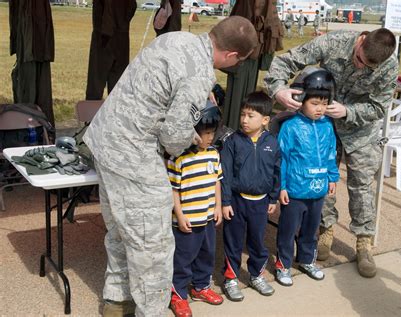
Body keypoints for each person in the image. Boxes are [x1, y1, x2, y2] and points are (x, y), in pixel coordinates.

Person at [83, 16, 258, 317]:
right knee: (153, 246)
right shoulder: (198, 74)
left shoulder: (176, 38)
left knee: (122, 232)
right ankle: (150, 311)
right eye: (239, 61)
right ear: (231, 56)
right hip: (133, 156)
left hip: (105, 142)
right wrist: (197, 136)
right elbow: (174, 139)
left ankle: (117, 301)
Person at [264, 28, 399, 278]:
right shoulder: (334, 42)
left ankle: (364, 242)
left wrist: (349, 112)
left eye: (368, 68)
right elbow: (286, 60)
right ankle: (325, 230)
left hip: (360, 131)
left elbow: (379, 106)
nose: (361, 68)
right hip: (322, 127)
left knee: (362, 186)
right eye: (359, 60)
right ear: (360, 41)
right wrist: (278, 90)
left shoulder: (389, 65)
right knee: (322, 180)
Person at [274, 68, 339, 286]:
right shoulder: (291, 127)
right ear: (301, 101)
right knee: (288, 230)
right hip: (295, 190)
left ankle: (306, 259)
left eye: (324, 103)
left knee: (311, 230)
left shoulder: (327, 126)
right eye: (314, 103)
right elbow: (281, 158)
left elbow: (331, 154)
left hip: (318, 189)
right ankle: (283, 264)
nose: (320, 109)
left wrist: (332, 177)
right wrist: (281, 186)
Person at [220, 92, 280, 301]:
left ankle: (256, 275)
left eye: (250, 115)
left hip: (260, 203)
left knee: (257, 242)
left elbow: (276, 171)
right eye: (242, 114)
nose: (244, 120)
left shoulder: (272, 143)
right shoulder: (232, 142)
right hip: (236, 202)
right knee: (233, 242)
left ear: (265, 120)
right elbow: (225, 174)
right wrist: (225, 201)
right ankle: (231, 278)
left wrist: (273, 198)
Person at [167, 102, 224, 317]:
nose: (209, 137)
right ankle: (178, 295)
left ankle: (201, 287)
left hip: (207, 218)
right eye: (205, 133)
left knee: (206, 255)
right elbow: (173, 190)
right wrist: (179, 215)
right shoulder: (178, 158)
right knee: (182, 259)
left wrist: (218, 207)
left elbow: (217, 181)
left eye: (212, 132)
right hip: (187, 222)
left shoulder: (213, 153)